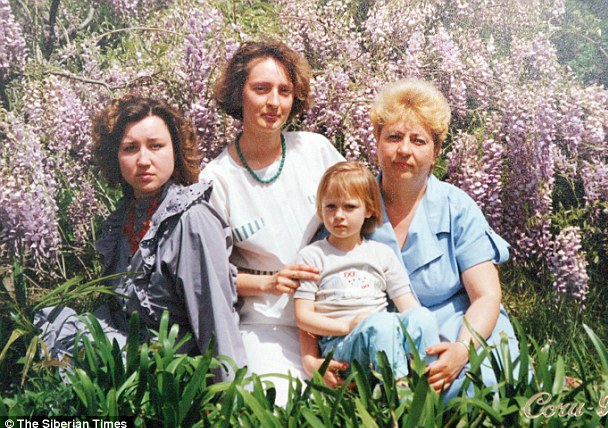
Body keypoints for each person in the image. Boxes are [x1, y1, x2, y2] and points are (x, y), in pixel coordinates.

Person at [35, 95, 246, 382]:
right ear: (116, 157)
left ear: (175, 151)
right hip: (125, 357)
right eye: (130, 148)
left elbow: (215, 319)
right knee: (53, 321)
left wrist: (227, 399)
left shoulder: (191, 218)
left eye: (156, 146)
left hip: (170, 374)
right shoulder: (124, 217)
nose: (143, 160)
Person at [199, 40, 344, 404]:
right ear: (238, 94)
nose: (273, 103)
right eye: (260, 89)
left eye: (284, 91)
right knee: (279, 408)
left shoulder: (315, 150)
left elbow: (364, 213)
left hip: (334, 311)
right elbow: (214, 275)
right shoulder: (217, 178)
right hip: (269, 324)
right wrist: (271, 283)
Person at [366, 79, 520, 399]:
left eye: (418, 140)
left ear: (435, 152)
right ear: (377, 142)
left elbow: (486, 296)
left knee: (493, 388)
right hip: (386, 336)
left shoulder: (456, 206)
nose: (404, 150)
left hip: (462, 326)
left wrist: (462, 350)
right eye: (394, 137)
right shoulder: (353, 203)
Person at [294, 161, 439, 380]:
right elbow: (303, 316)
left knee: (422, 316)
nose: (339, 215)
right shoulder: (312, 256)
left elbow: (408, 305)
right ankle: (395, 394)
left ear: (369, 209)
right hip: (342, 346)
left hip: (384, 336)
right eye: (331, 206)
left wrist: (416, 324)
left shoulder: (381, 254)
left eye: (349, 207)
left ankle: (429, 380)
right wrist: (346, 326)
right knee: (381, 323)